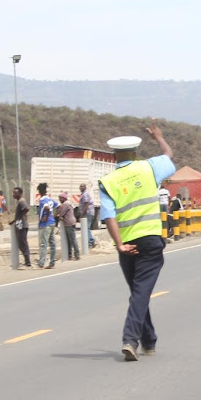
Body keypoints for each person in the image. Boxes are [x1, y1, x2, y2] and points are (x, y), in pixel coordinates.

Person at [99, 122, 175, 361]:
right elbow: (168, 155)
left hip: (128, 244)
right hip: (151, 240)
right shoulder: (149, 168)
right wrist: (159, 137)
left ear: (114, 156)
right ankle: (131, 340)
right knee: (140, 293)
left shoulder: (108, 180)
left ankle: (148, 341)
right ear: (134, 153)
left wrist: (120, 244)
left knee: (138, 292)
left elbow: (109, 216)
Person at [36, 182, 59, 269]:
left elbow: (47, 208)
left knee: (44, 243)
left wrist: (45, 218)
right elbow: (58, 206)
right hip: (52, 222)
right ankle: (52, 262)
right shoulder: (50, 199)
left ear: (40, 191)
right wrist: (54, 215)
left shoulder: (42, 200)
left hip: (45, 224)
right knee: (52, 243)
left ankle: (41, 262)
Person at [9, 187, 31, 268]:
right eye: (13, 193)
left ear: (20, 193)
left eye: (15, 193)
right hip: (19, 223)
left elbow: (27, 208)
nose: (13, 194)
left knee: (23, 243)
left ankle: (27, 261)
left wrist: (19, 217)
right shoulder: (19, 202)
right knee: (21, 243)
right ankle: (26, 260)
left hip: (22, 224)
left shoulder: (22, 201)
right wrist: (14, 220)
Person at [55, 192, 79, 261]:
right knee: (69, 240)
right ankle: (70, 255)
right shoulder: (68, 204)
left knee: (72, 240)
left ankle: (76, 255)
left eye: (60, 198)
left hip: (69, 223)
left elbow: (61, 214)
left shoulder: (65, 204)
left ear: (63, 198)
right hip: (71, 222)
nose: (59, 200)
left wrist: (59, 216)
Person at [79, 183, 96, 248]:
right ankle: (91, 241)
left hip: (88, 212)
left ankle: (90, 242)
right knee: (87, 228)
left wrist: (82, 214)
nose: (80, 187)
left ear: (85, 187)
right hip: (88, 212)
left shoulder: (85, 194)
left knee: (86, 228)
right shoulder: (83, 194)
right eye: (80, 186)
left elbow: (86, 204)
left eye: (82, 186)